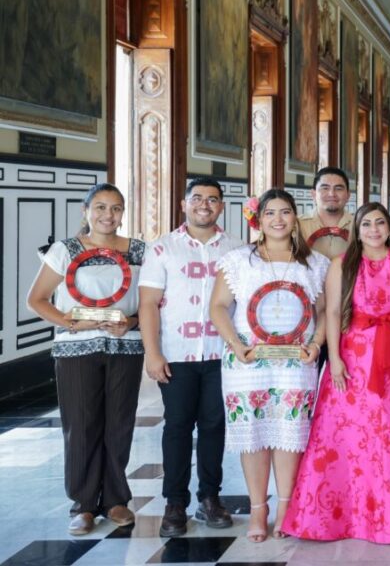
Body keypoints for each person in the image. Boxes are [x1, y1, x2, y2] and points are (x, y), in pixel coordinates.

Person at [281, 202, 390, 543]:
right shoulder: (342, 265)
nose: (374, 230)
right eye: (367, 225)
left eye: (380, 223)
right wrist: (334, 358)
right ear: (357, 231)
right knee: (348, 434)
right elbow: (332, 312)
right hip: (355, 354)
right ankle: (343, 516)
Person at [209, 189, 328, 542]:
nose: (278, 219)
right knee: (255, 435)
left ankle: (286, 508)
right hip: (249, 360)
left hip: (295, 361)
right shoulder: (238, 261)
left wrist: (316, 344)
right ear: (258, 220)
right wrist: (237, 345)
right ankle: (258, 510)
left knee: (289, 434)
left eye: (285, 212)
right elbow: (218, 307)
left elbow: (323, 313)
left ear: (295, 218)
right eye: (270, 213)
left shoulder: (315, 263)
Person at [26, 183, 145, 536]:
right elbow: (37, 299)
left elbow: (152, 301)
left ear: (123, 213)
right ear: (86, 211)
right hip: (77, 348)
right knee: (81, 424)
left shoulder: (140, 251)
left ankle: (116, 499)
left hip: (126, 345)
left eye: (116, 208)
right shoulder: (65, 251)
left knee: (119, 423)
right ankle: (82, 505)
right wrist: (70, 323)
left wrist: (133, 322)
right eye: (101, 207)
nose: (108, 215)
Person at [139, 178, 245, 537]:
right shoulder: (161, 249)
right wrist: (153, 353)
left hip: (221, 354)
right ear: (184, 204)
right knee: (178, 427)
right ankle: (174, 503)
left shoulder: (237, 249)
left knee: (215, 427)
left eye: (212, 199)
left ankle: (210, 497)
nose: (205, 204)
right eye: (197, 198)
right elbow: (149, 304)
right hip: (177, 355)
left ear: (221, 207)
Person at [299, 167, 353, 260]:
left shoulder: (360, 225)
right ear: (313, 194)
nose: (332, 194)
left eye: (338, 188)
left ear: (348, 195)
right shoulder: (297, 225)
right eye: (325, 188)